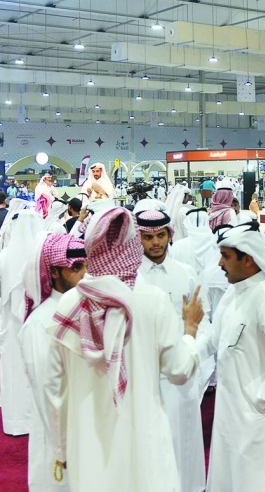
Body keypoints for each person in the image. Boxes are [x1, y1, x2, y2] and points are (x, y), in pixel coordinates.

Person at [43, 207, 204, 491]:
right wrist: (189, 331)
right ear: (133, 248)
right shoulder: (150, 301)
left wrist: (61, 449)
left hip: (89, 447)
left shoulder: (69, 304)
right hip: (144, 445)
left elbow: (54, 389)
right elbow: (179, 371)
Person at [202, 220, 265, 490]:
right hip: (233, 409)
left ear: (248, 259)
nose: (220, 264)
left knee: (258, 480)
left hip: (258, 414)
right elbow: (214, 339)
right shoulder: (234, 293)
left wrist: (262, 398)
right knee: (231, 477)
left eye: (225, 256)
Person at [134, 209, 209, 492]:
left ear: (169, 235)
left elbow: (205, 321)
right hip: (142, 378)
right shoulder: (131, 277)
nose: (155, 243)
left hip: (180, 378)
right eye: (148, 237)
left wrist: (193, 356)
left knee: (182, 446)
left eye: (161, 235)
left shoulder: (186, 274)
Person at [20, 232, 86, 492]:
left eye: (87, 265)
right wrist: (63, 448)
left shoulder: (87, 309)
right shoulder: (41, 322)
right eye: (76, 268)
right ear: (55, 272)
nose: (85, 274)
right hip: (59, 439)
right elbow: (48, 394)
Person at [0, 210, 44, 436]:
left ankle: (15, 421)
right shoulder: (44, 255)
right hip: (39, 324)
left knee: (15, 371)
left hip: (11, 324)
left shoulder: (5, 256)